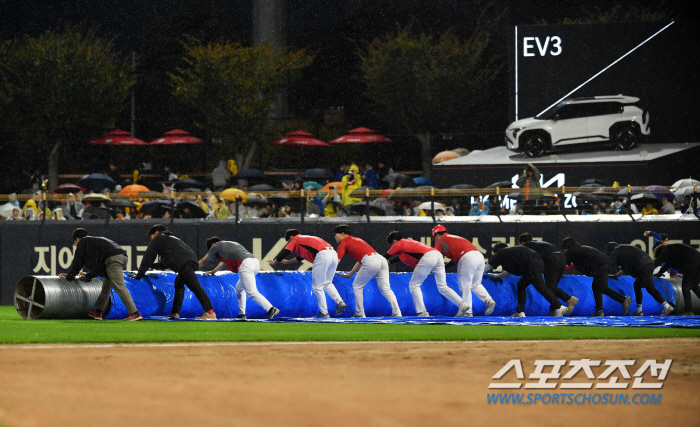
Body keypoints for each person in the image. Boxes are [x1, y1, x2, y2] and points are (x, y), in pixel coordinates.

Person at [131, 224, 216, 319]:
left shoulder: (158, 238)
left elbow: (148, 257)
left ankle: (210, 313)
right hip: (192, 262)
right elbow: (165, 263)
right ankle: (175, 313)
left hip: (184, 264)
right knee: (179, 283)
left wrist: (139, 275)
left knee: (195, 287)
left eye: (152, 237)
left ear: (156, 232)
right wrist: (152, 266)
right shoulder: (171, 239)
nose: (152, 240)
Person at [59, 228, 141, 321]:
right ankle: (98, 312)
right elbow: (99, 265)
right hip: (116, 258)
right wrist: (89, 275)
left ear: (77, 239)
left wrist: (70, 276)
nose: (76, 244)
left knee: (119, 287)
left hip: (113, 259)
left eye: (75, 242)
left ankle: (134, 313)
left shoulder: (83, 242)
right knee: (106, 287)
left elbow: (78, 261)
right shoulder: (93, 242)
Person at [384, 231, 469, 317]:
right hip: (437, 255)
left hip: (428, 257)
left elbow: (385, 256)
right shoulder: (406, 243)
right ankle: (462, 304)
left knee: (414, 285)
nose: (392, 247)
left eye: (391, 245)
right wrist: (389, 262)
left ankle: (422, 312)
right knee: (443, 286)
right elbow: (399, 257)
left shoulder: (398, 244)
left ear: (394, 241)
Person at [267, 229, 347, 318]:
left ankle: (324, 313)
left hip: (323, 255)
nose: (289, 243)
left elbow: (284, 252)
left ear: (291, 237)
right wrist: (286, 262)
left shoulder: (295, 239)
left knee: (317, 286)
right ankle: (340, 302)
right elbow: (300, 258)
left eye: (288, 241)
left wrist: (274, 262)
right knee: (327, 283)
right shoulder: (306, 239)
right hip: (333, 254)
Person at [199, 237, 280, 319]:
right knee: (239, 288)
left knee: (251, 292)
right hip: (254, 262)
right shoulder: (228, 244)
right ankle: (241, 314)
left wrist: (189, 268)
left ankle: (271, 309)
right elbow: (223, 262)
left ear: (212, 245)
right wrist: (213, 271)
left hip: (245, 264)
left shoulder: (216, 246)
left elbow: (203, 262)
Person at [335, 224, 401, 317]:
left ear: (342, 234)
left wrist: (327, 273)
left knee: (357, 286)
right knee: (385, 288)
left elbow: (336, 261)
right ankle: (397, 313)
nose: (335, 237)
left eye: (336, 234)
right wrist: (349, 275)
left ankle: (359, 314)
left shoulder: (343, 243)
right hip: (381, 259)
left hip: (371, 261)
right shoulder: (357, 239)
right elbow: (360, 261)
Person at [486, 243, 567, 317]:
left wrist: (476, 273)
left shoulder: (501, 252)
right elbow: (508, 270)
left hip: (532, 266)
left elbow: (489, 265)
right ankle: (520, 311)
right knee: (521, 285)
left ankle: (559, 307)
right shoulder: (511, 252)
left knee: (541, 288)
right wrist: (500, 276)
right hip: (536, 264)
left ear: (497, 252)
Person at [432, 225, 495, 316]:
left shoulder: (441, 240)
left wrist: (430, 269)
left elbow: (434, 257)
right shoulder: (454, 238)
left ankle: (467, 312)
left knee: (465, 286)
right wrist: (445, 268)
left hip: (467, 258)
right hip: (479, 256)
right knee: (475, 284)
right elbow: (455, 260)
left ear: (437, 234)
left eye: (435, 238)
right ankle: (488, 301)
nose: (436, 241)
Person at [561, 237, 632, 316]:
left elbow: (563, 264)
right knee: (596, 287)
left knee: (603, 287)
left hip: (599, 265)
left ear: (566, 247)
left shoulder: (571, 251)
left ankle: (624, 299)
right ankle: (599, 310)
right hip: (603, 263)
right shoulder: (579, 249)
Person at [605, 242, 673, 316]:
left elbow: (609, 264)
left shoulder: (616, 250)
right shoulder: (625, 248)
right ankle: (639, 310)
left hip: (643, 267)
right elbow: (628, 265)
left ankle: (667, 306)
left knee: (651, 289)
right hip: (647, 265)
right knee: (637, 285)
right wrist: (616, 275)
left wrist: (601, 273)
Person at [519, 233, 579, 315]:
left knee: (549, 287)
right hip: (561, 257)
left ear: (522, 242)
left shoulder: (526, 246)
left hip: (552, 258)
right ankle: (554, 310)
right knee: (552, 287)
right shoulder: (537, 243)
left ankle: (568, 298)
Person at [654, 243, 700, 315]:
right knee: (694, 286)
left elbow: (657, 262)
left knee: (685, 288)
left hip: (692, 262)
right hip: (697, 260)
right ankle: (689, 310)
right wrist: (660, 272)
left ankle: (689, 311)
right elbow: (668, 264)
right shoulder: (673, 252)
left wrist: (647, 271)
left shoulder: (666, 250)